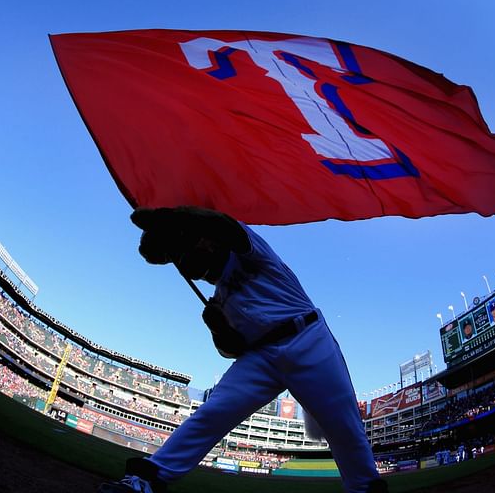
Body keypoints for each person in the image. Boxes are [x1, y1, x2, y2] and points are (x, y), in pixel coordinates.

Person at [99, 206, 387, 493]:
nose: (191, 257)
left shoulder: (249, 252)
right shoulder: (219, 298)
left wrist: (173, 219)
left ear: (210, 242)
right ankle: (147, 480)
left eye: (193, 246)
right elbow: (232, 350)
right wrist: (219, 329)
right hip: (261, 357)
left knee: (344, 427)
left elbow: (226, 227)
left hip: (307, 338)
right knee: (214, 412)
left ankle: (364, 489)